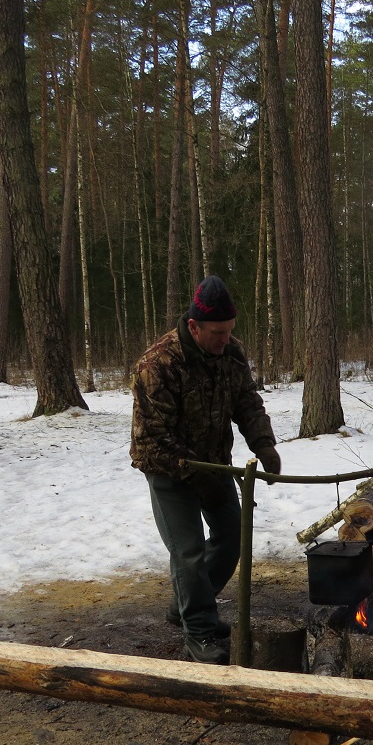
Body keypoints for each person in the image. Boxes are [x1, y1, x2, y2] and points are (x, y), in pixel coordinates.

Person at [130, 275, 282, 664]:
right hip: (167, 469)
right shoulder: (157, 364)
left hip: (213, 464)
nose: (225, 340)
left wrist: (263, 443)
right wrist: (193, 473)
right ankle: (198, 631)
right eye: (217, 333)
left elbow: (246, 401)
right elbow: (151, 439)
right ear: (194, 326)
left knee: (232, 535)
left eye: (230, 331)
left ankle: (188, 603)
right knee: (189, 551)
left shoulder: (231, 353)